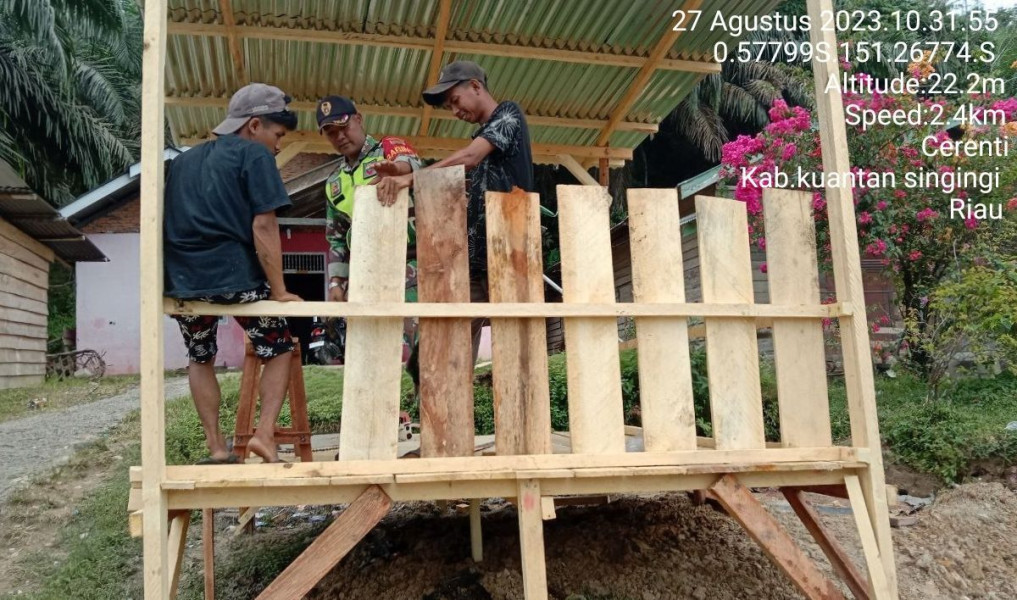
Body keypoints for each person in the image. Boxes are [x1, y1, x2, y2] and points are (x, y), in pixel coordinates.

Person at [165, 83, 302, 464]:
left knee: (200, 356)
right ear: (254, 125)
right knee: (278, 348)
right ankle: (263, 435)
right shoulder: (254, 157)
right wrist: (279, 291)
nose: (276, 145)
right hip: (236, 280)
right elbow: (264, 227)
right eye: (277, 135)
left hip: (184, 283)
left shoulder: (181, 163)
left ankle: (216, 448)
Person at [374, 60, 534, 362]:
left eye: (455, 101)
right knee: (455, 345)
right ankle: (450, 407)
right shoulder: (484, 137)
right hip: (476, 259)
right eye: (449, 107)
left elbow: (470, 157)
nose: (455, 112)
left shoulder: (508, 114)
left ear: (476, 86)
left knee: (515, 350)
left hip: (509, 252)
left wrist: (412, 178)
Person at [316, 96, 422, 386]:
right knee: (369, 355)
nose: (339, 136)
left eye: (343, 126)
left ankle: (432, 417)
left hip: (410, 267)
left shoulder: (387, 149)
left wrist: (397, 173)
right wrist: (336, 284)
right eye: (330, 132)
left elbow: (411, 165)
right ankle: (379, 424)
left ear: (358, 119)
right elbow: (336, 238)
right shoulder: (333, 183)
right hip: (365, 275)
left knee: (424, 351)